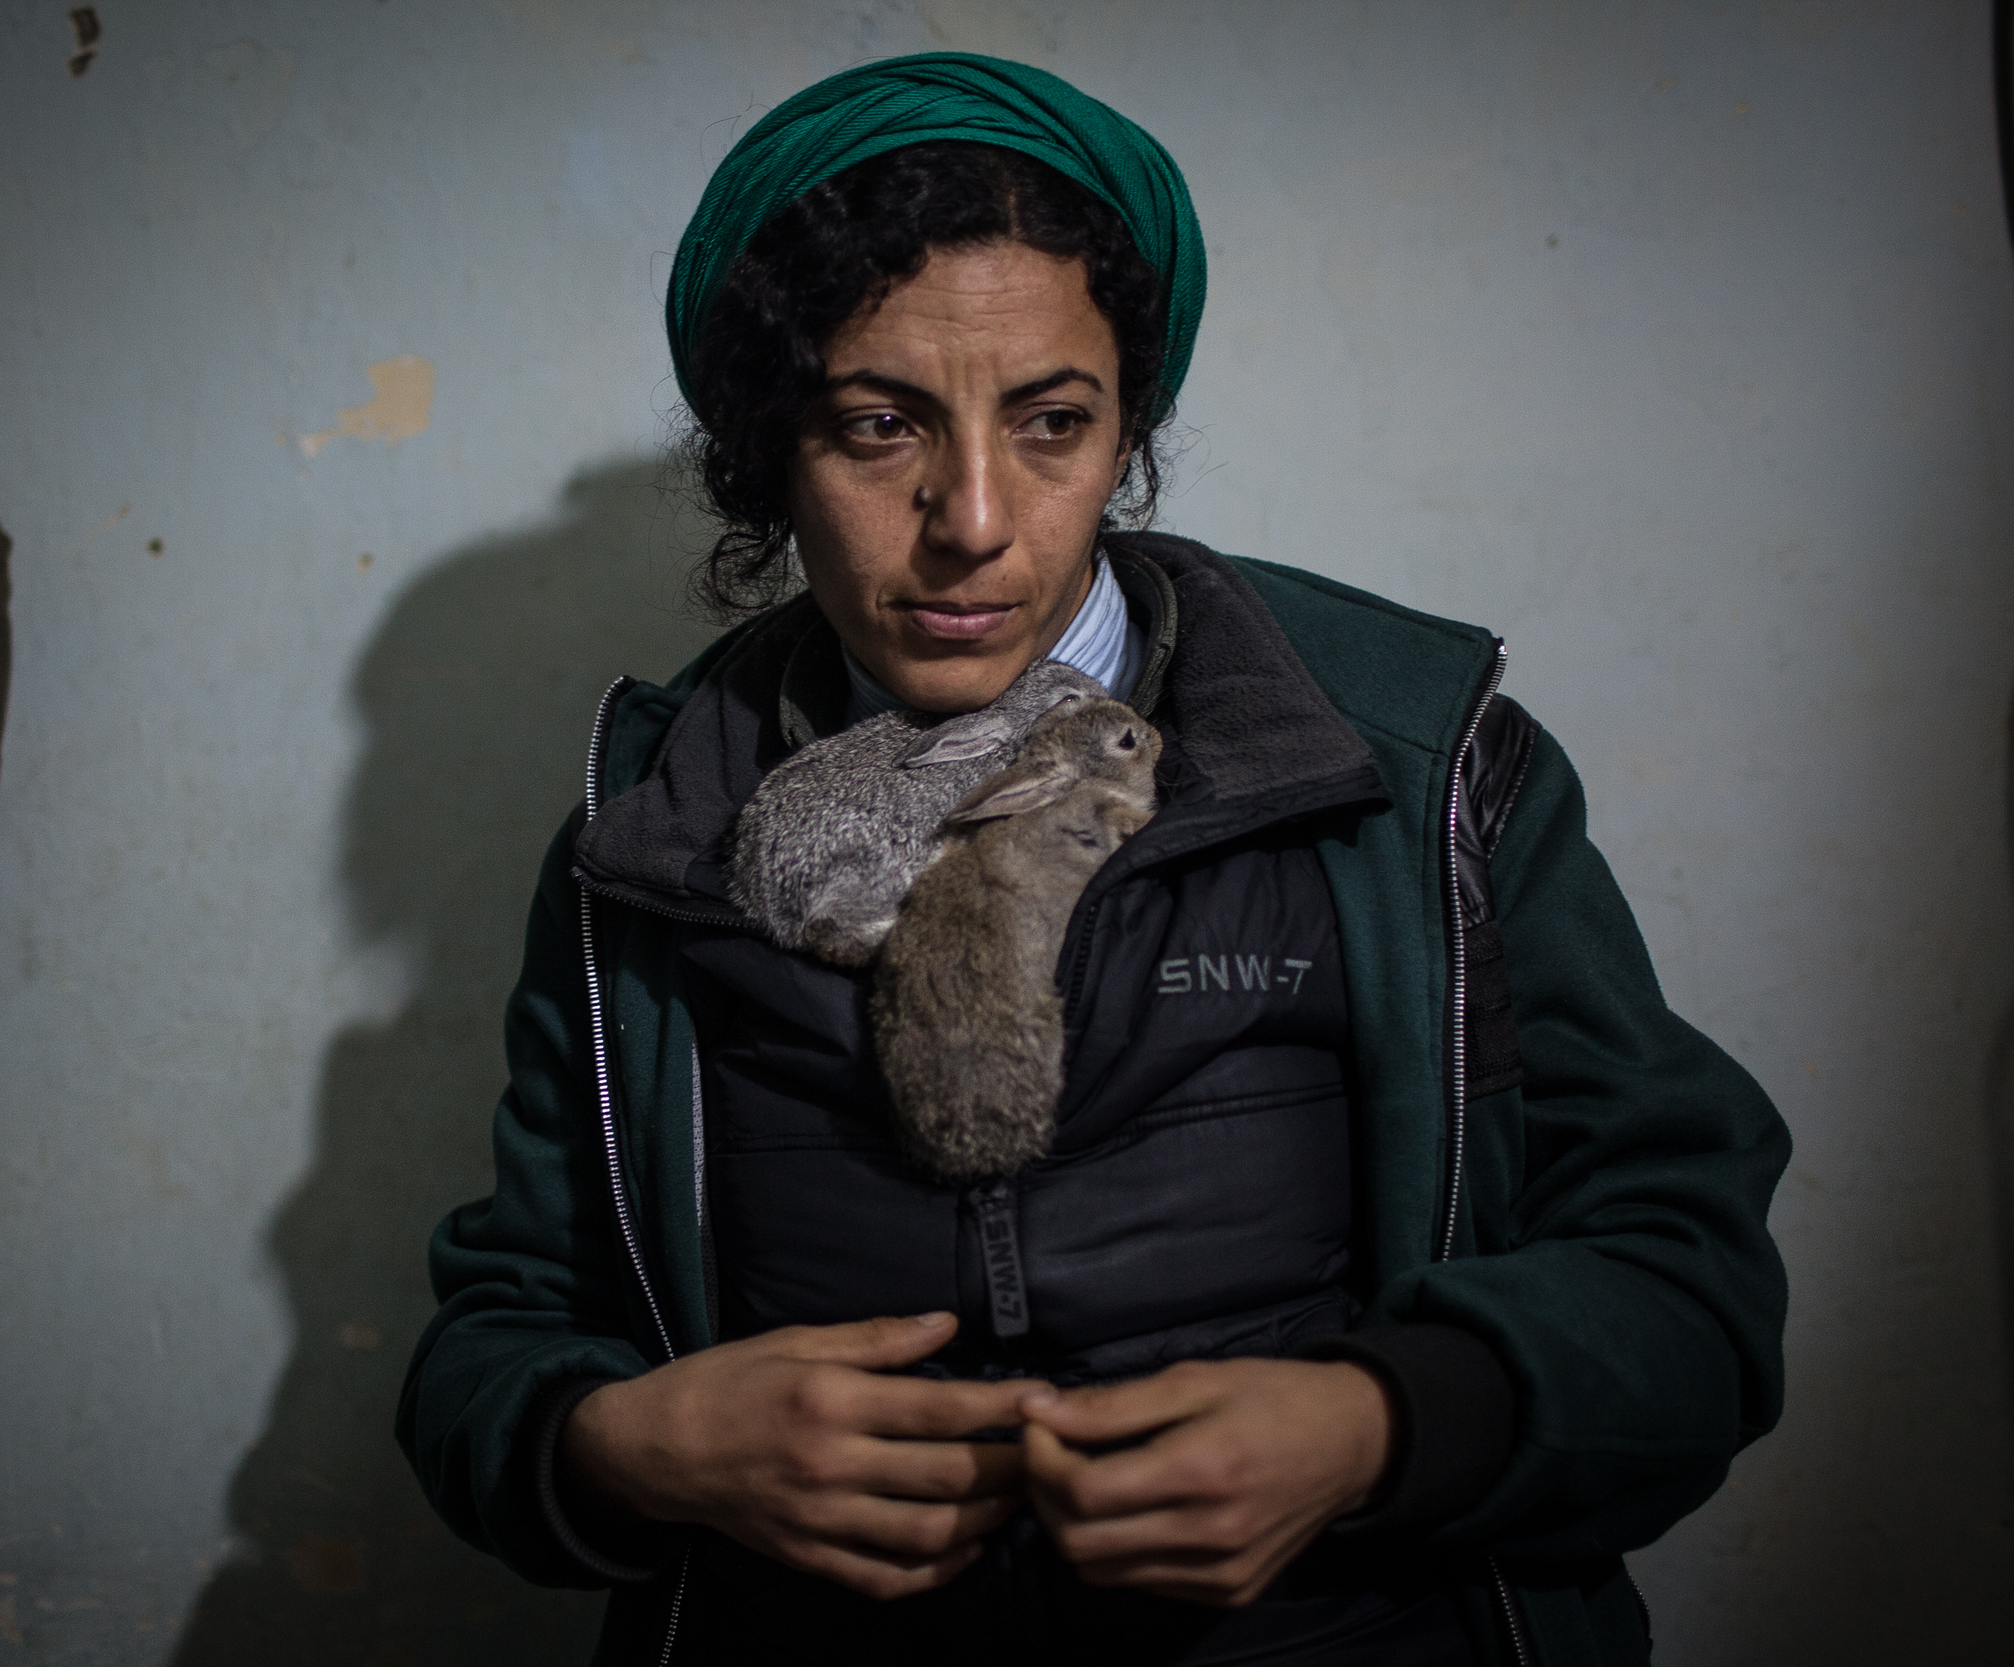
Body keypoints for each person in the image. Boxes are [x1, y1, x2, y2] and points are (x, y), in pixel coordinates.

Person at [398, 53, 1788, 1667]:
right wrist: (631, 1451)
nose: (975, 519)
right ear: (767, 451)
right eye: (875, 426)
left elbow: (1692, 1293)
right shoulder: (649, 833)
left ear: (1128, 426)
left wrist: (1375, 1426)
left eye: (1052, 422)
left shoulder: (1418, 764)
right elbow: (488, 1349)